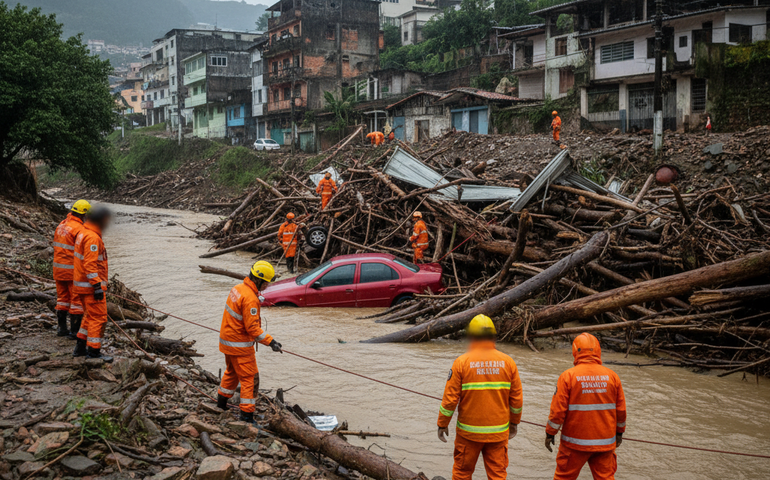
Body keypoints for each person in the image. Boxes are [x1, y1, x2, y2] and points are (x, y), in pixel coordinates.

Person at [437, 315, 523, 480]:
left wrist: (442, 424)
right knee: (497, 475)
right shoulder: (508, 362)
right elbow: (517, 400)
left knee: (462, 474)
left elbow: (450, 399)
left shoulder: (461, 362)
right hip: (498, 434)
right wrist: (514, 423)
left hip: (468, 434)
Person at [544, 333, 626, 480]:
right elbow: (621, 411)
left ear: (575, 351)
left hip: (573, 444)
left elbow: (558, 411)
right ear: (598, 350)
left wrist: (550, 433)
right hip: (605, 444)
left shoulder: (568, 376)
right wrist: (619, 433)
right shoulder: (613, 377)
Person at [216, 261, 283, 423]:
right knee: (250, 379)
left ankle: (221, 404)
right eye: (266, 283)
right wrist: (271, 342)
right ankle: (246, 417)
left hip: (227, 343)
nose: (267, 286)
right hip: (240, 347)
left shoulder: (237, 289)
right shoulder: (250, 299)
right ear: (259, 280)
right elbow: (252, 329)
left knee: (231, 372)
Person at [72, 205, 112, 362]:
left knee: (88, 317)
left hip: (81, 285)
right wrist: (97, 286)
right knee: (99, 318)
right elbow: (90, 265)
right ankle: (94, 353)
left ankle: (80, 347)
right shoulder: (93, 238)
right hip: (90, 287)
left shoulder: (83, 232)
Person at [52, 199, 90, 339]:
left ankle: (62, 328)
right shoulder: (79, 229)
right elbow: (83, 253)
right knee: (76, 301)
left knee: (62, 299)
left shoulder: (61, 225)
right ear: (83, 214)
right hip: (72, 271)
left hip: (58, 270)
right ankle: (75, 332)